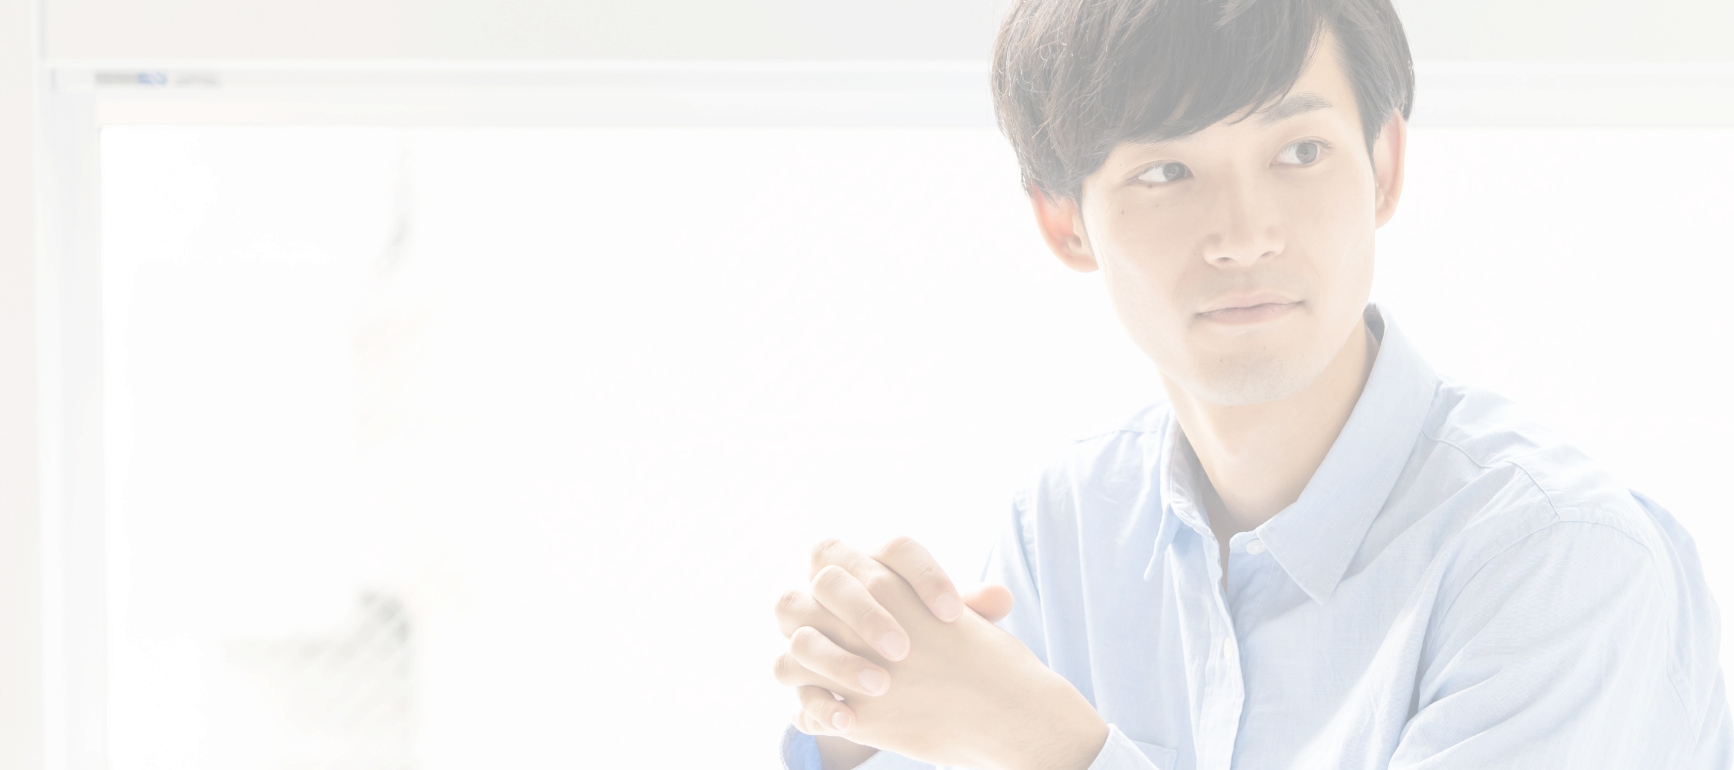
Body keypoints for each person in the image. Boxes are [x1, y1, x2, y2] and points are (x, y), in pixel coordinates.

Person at [769, 0, 1734, 767]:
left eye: (1300, 153)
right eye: (1167, 171)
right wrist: (864, 705)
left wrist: (1053, 749)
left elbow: (1020, 737)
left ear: (1384, 166)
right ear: (1066, 222)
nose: (1244, 235)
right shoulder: (1064, 523)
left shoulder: (1558, 557)